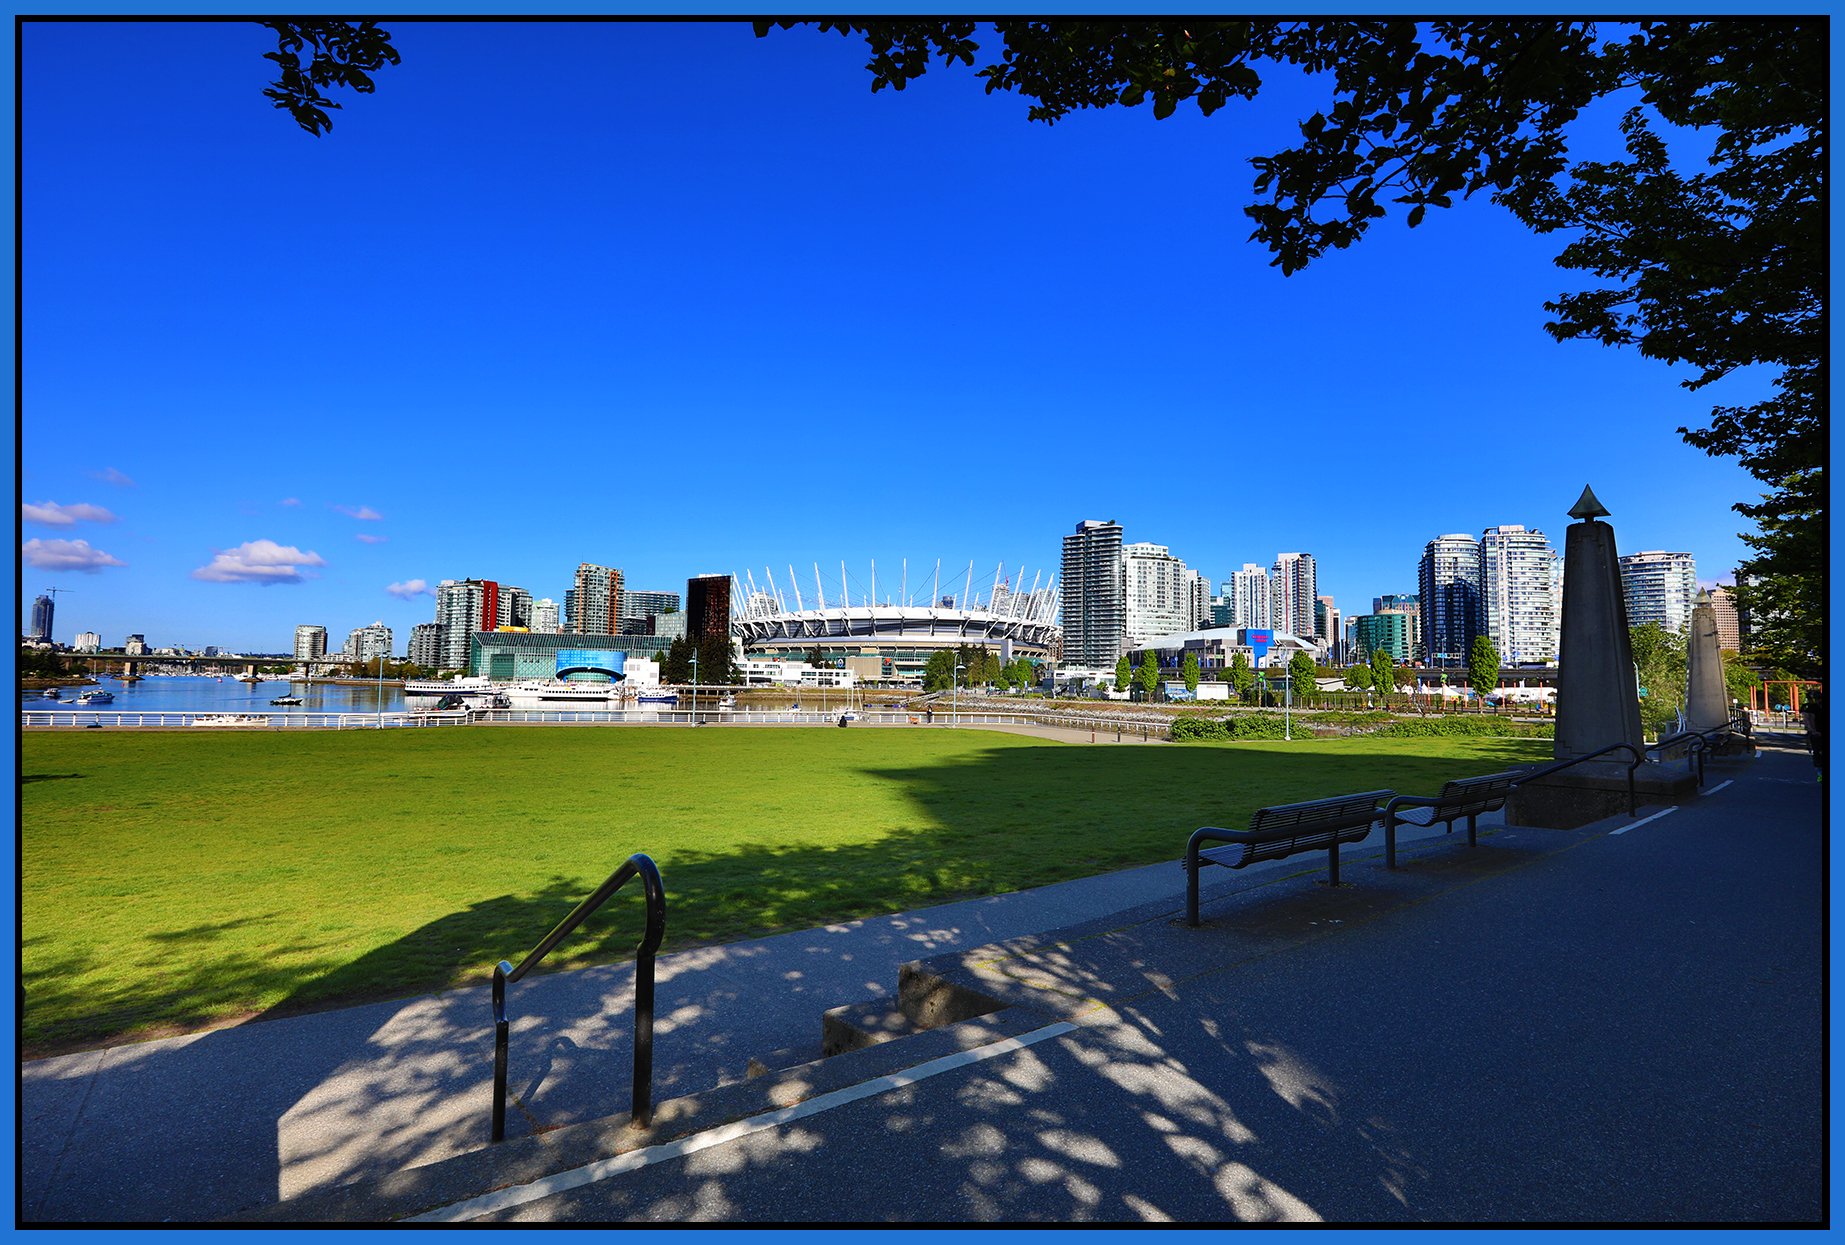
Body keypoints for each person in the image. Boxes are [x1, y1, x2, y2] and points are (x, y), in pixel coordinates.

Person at [1804, 690, 1825, 781]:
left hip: (1816, 734)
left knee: (1817, 754)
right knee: (1817, 754)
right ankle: (1820, 775)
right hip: (1816, 734)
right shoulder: (1811, 708)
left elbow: (1807, 720)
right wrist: (1813, 731)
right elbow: (1808, 720)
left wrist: (1812, 731)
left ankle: (1820, 774)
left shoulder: (1810, 707)